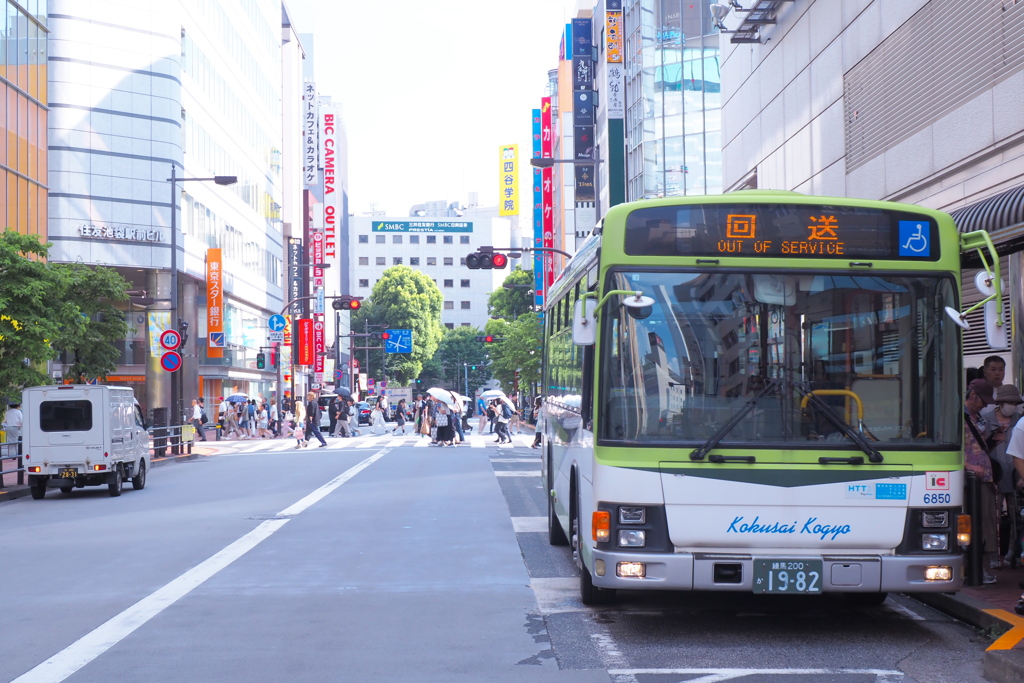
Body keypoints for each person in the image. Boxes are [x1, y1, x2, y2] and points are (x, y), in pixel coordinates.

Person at [982, 383, 1024, 566]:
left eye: (1014, 402)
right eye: (1008, 402)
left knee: (1017, 518)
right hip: (994, 475)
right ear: (1000, 402)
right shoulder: (986, 419)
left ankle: (1012, 553)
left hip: (1016, 476)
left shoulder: (1019, 420)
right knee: (993, 517)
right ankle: (993, 556)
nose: (1011, 406)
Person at [964, 378, 998, 583]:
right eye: (982, 400)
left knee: (984, 523)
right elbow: (954, 449)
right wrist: (968, 467)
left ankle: (977, 569)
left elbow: (980, 448)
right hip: (970, 479)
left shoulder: (979, 419)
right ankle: (973, 570)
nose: (984, 405)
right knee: (971, 523)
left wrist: (994, 441)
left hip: (984, 477)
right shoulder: (957, 418)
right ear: (973, 395)